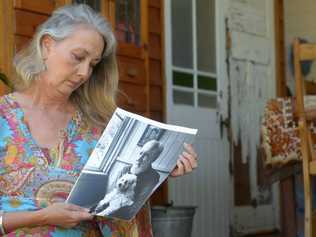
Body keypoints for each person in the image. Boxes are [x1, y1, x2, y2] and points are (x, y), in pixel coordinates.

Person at [0, 4, 198, 237]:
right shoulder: (4, 117)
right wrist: (41, 217)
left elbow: (118, 204)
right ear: (47, 46)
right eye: (78, 57)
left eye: (93, 64)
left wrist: (159, 169)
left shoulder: (99, 125)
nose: (84, 72)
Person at [95, 140, 164, 219]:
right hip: (108, 205)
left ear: (153, 159)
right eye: (141, 153)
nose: (139, 158)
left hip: (125, 212)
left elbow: (139, 203)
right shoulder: (125, 169)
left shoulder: (153, 177)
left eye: (146, 155)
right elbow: (112, 190)